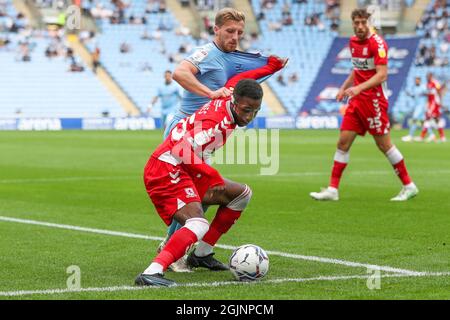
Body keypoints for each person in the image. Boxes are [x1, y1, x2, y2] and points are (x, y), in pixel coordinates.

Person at [135, 56, 286, 287]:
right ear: (235, 103)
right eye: (246, 110)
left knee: (241, 195)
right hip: (166, 169)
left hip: (183, 167)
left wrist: (271, 67)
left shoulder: (230, 93)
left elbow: (244, 78)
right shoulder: (217, 122)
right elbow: (180, 148)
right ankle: (152, 272)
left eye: (255, 112)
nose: (249, 117)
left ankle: (201, 255)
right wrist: (212, 175)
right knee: (198, 223)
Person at [160, 7, 281, 272]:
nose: (235, 36)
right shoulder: (207, 54)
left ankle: (189, 250)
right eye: (229, 31)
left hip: (205, 134)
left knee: (200, 195)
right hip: (185, 131)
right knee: (191, 194)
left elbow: (241, 80)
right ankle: (174, 252)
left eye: (239, 32)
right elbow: (180, 73)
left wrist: (272, 65)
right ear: (215, 30)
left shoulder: (233, 58)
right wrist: (211, 93)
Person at [310, 8, 419, 202]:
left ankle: (409, 185)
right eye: (357, 23)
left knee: (384, 145)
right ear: (352, 23)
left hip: (374, 101)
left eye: (363, 23)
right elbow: (357, 68)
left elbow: (382, 74)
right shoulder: (352, 42)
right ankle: (333, 189)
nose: (360, 26)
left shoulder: (377, 43)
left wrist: (359, 89)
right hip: (357, 101)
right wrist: (344, 88)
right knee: (343, 142)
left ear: (369, 23)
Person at [418, 73, 447, 142]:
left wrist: (440, 101)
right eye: (426, 76)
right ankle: (442, 137)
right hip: (430, 103)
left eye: (428, 76)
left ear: (431, 76)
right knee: (433, 119)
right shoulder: (428, 84)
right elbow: (430, 93)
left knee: (431, 118)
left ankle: (422, 137)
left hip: (434, 103)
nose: (427, 77)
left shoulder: (435, 83)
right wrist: (424, 94)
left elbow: (439, 91)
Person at [401, 76, 428, 142]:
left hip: (421, 106)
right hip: (417, 106)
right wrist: (409, 94)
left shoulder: (423, 87)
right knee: (423, 122)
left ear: (420, 80)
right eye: (416, 80)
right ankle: (431, 135)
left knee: (414, 118)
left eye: (417, 80)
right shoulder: (414, 87)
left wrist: (422, 94)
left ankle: (410, 135)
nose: (416, 81)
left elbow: (426, 93)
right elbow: (415, 96)